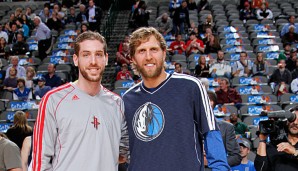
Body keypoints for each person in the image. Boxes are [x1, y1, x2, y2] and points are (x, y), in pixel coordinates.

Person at [123, 27, 229, 171]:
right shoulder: (127, 99)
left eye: (154, 49)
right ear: (133, 59)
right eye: (141, 51)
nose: (148, 56)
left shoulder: (190, 86)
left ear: (164, 53)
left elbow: (210, 131)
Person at [32, 31, 129, 171]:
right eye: (86, 55)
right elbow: (40, 162)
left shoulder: (117, 103)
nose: (93, 61)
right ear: (76, 59)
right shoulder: (53, 100)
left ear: (106, 59)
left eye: (98, 54)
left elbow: (124, 153)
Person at [254, 106, 298, 171]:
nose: (295, 123)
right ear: (287, 121)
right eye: (292, 118)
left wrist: (295, 152)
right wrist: (262, 140)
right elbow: (260, 168)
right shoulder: (274, 144)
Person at [207, 91, 242, 168]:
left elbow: (236, 157)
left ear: (210, 103)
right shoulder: (189, 127)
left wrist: (214, 163)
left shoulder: (226, 127)